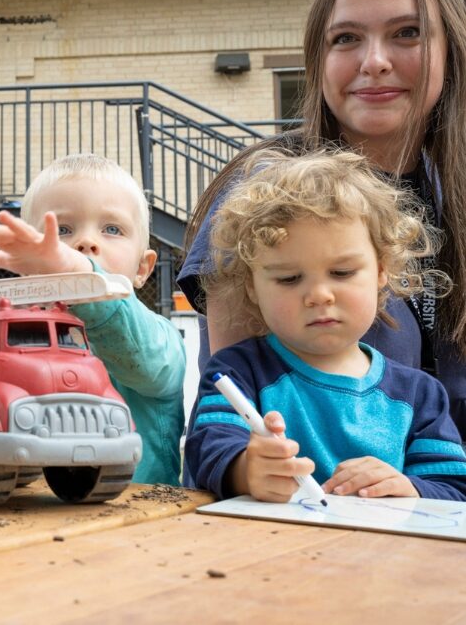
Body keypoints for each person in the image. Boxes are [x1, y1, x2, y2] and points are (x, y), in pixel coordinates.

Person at [178, 0, 466, 438]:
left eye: (407, 33)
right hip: (313, 499)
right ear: (318, 59)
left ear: (451, 50)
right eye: (346, 38)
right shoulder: (264, 189)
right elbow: (234, 412)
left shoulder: (453, 191)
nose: (374, 61)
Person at [185, 149, 466, 502]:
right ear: (252, 288)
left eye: (341, 273)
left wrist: (409, 487)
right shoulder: (237, 372)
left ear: (382, 271)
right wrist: (248, 468)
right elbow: (207, 450)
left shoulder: (421, 396)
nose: (319, 295)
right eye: (289, 278)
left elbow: (454, 490)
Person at [0, 154, 186, 485]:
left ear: (143, 268)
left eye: (112, 229)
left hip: (141, 522)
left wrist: (79, 271)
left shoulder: (162, 341)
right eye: (61, 229)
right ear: (24, 262)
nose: (85, 242)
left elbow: (140, 355)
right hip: (24, 519)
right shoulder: (8, 331)